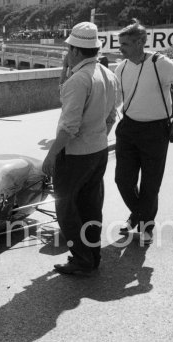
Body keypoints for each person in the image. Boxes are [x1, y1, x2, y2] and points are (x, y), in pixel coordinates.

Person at [42, 22, 119, 276]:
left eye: (68, 49)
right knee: (90, 205)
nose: (66, 53)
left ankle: (82, 258)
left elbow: (69, 128)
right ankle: (92, 254)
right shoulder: (108, 75)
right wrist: (97, 138)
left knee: (66, 209)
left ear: (75, 50)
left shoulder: (79, 80)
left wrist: (51, 156)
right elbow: (111, 117)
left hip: (75, 156)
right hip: (98, 151)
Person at [114, 20, 173, 245]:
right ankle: (138, 216)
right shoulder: (121, 67)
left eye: (126, 44)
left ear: (140, 42)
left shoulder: (160, 63)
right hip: (128, 128)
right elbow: (120, 99)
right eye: (120, 44)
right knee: (123, 180)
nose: (121, 49)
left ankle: (144, 226)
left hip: (156, 130)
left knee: (151, 183)